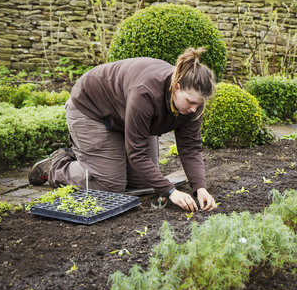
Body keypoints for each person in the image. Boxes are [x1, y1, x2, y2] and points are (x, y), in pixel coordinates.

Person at [28, 47, 217, 212]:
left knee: (144, 183)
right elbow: (137, 153)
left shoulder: (193, 104)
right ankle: (57, 166)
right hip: (92, 109)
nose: (193, 109)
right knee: (110, 185)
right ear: (176, 88)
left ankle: (94, 160)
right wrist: (171, 192)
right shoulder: (146, 93)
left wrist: (200, 187)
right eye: (190, 102)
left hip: (124, 115)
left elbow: (190, 147)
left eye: (199, 104)